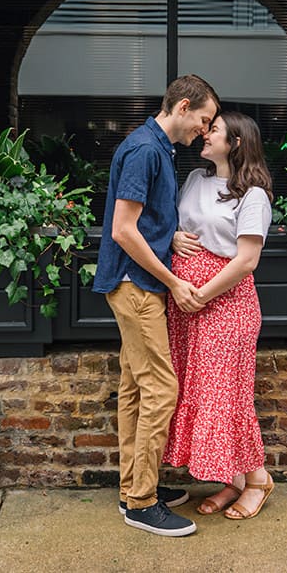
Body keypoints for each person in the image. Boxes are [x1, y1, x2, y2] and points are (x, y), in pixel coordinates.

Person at [94, 74, 220, 537]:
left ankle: (134, 487)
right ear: (183, 106)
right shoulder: (147, 149)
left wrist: (170, 238)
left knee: (133, 388)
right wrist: (172, 279)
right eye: (203, 120)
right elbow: (123, 229)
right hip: (137, 287)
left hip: (140, 283)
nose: (204, 132)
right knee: (162, 389)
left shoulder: (156, 147)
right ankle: (142, 503)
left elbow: (142, 222)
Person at [164, 110, 275, 520]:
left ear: (237, 143)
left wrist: (202, 295)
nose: (204, 136)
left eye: (214, 131)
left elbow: (246, 261)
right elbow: (176, 225)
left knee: (226, 396)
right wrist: (174, 239)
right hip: (187, 304)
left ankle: (259, 479)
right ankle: (233, 481)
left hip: (226, 305)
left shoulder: (254, 196)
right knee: (198, 392)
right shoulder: (195, 179)